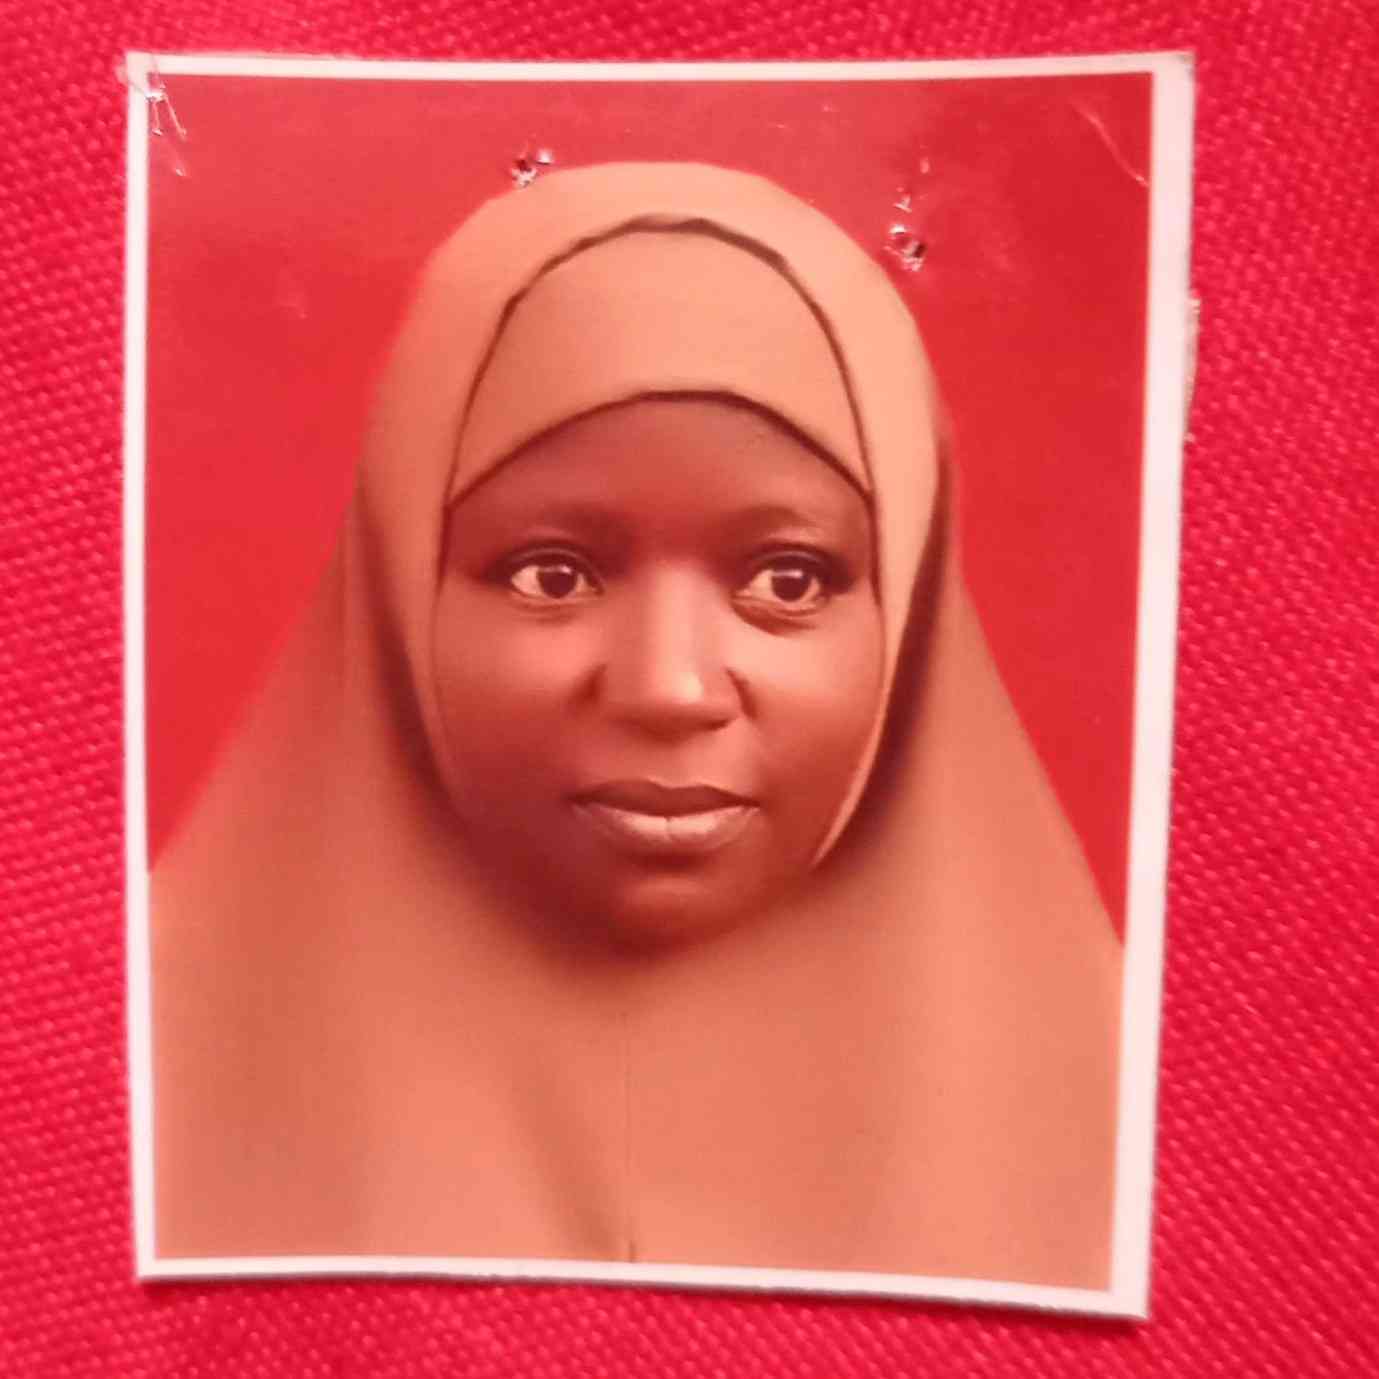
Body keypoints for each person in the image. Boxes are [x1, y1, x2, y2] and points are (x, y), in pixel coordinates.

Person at [151, 162, 1122, 1287]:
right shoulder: (105, 1065)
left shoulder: (1153, 1124)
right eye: (551, 573)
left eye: (789, 579)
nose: (669, 688)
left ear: (906, 603)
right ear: (399, 580)